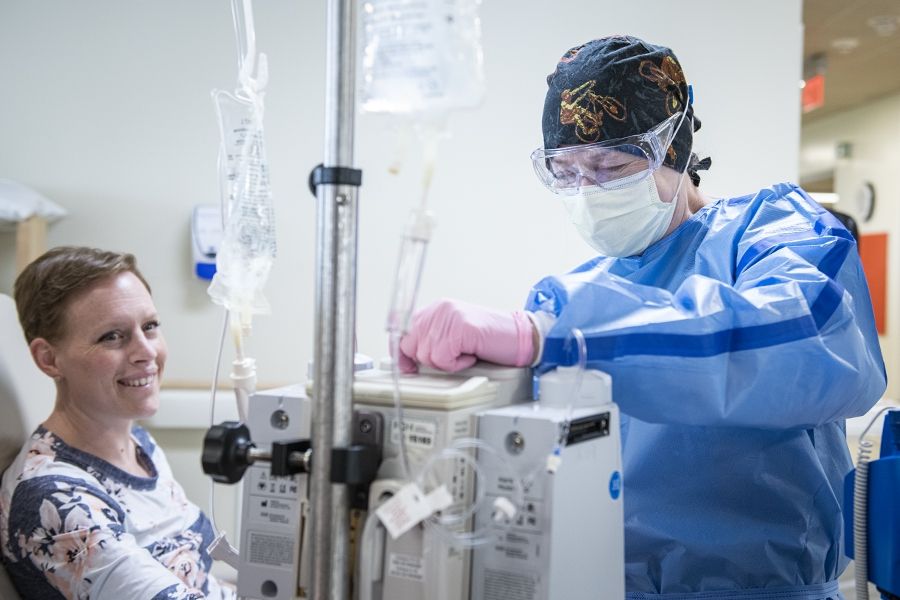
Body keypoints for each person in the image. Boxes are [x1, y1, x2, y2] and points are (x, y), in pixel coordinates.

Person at [398, 36, 886, 599]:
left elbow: (811, 343)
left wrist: (554, 336)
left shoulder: (771, 231)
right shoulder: (580, 294)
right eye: (565, 172)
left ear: (671, 149)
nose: (587, 191)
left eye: (609, 165)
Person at [0, 247, 233, 599]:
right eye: (112, 336)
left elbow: (197, 579)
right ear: (49, 359)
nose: (147, 352)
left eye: (150, 327)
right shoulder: (56, 501)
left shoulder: (139, 445)